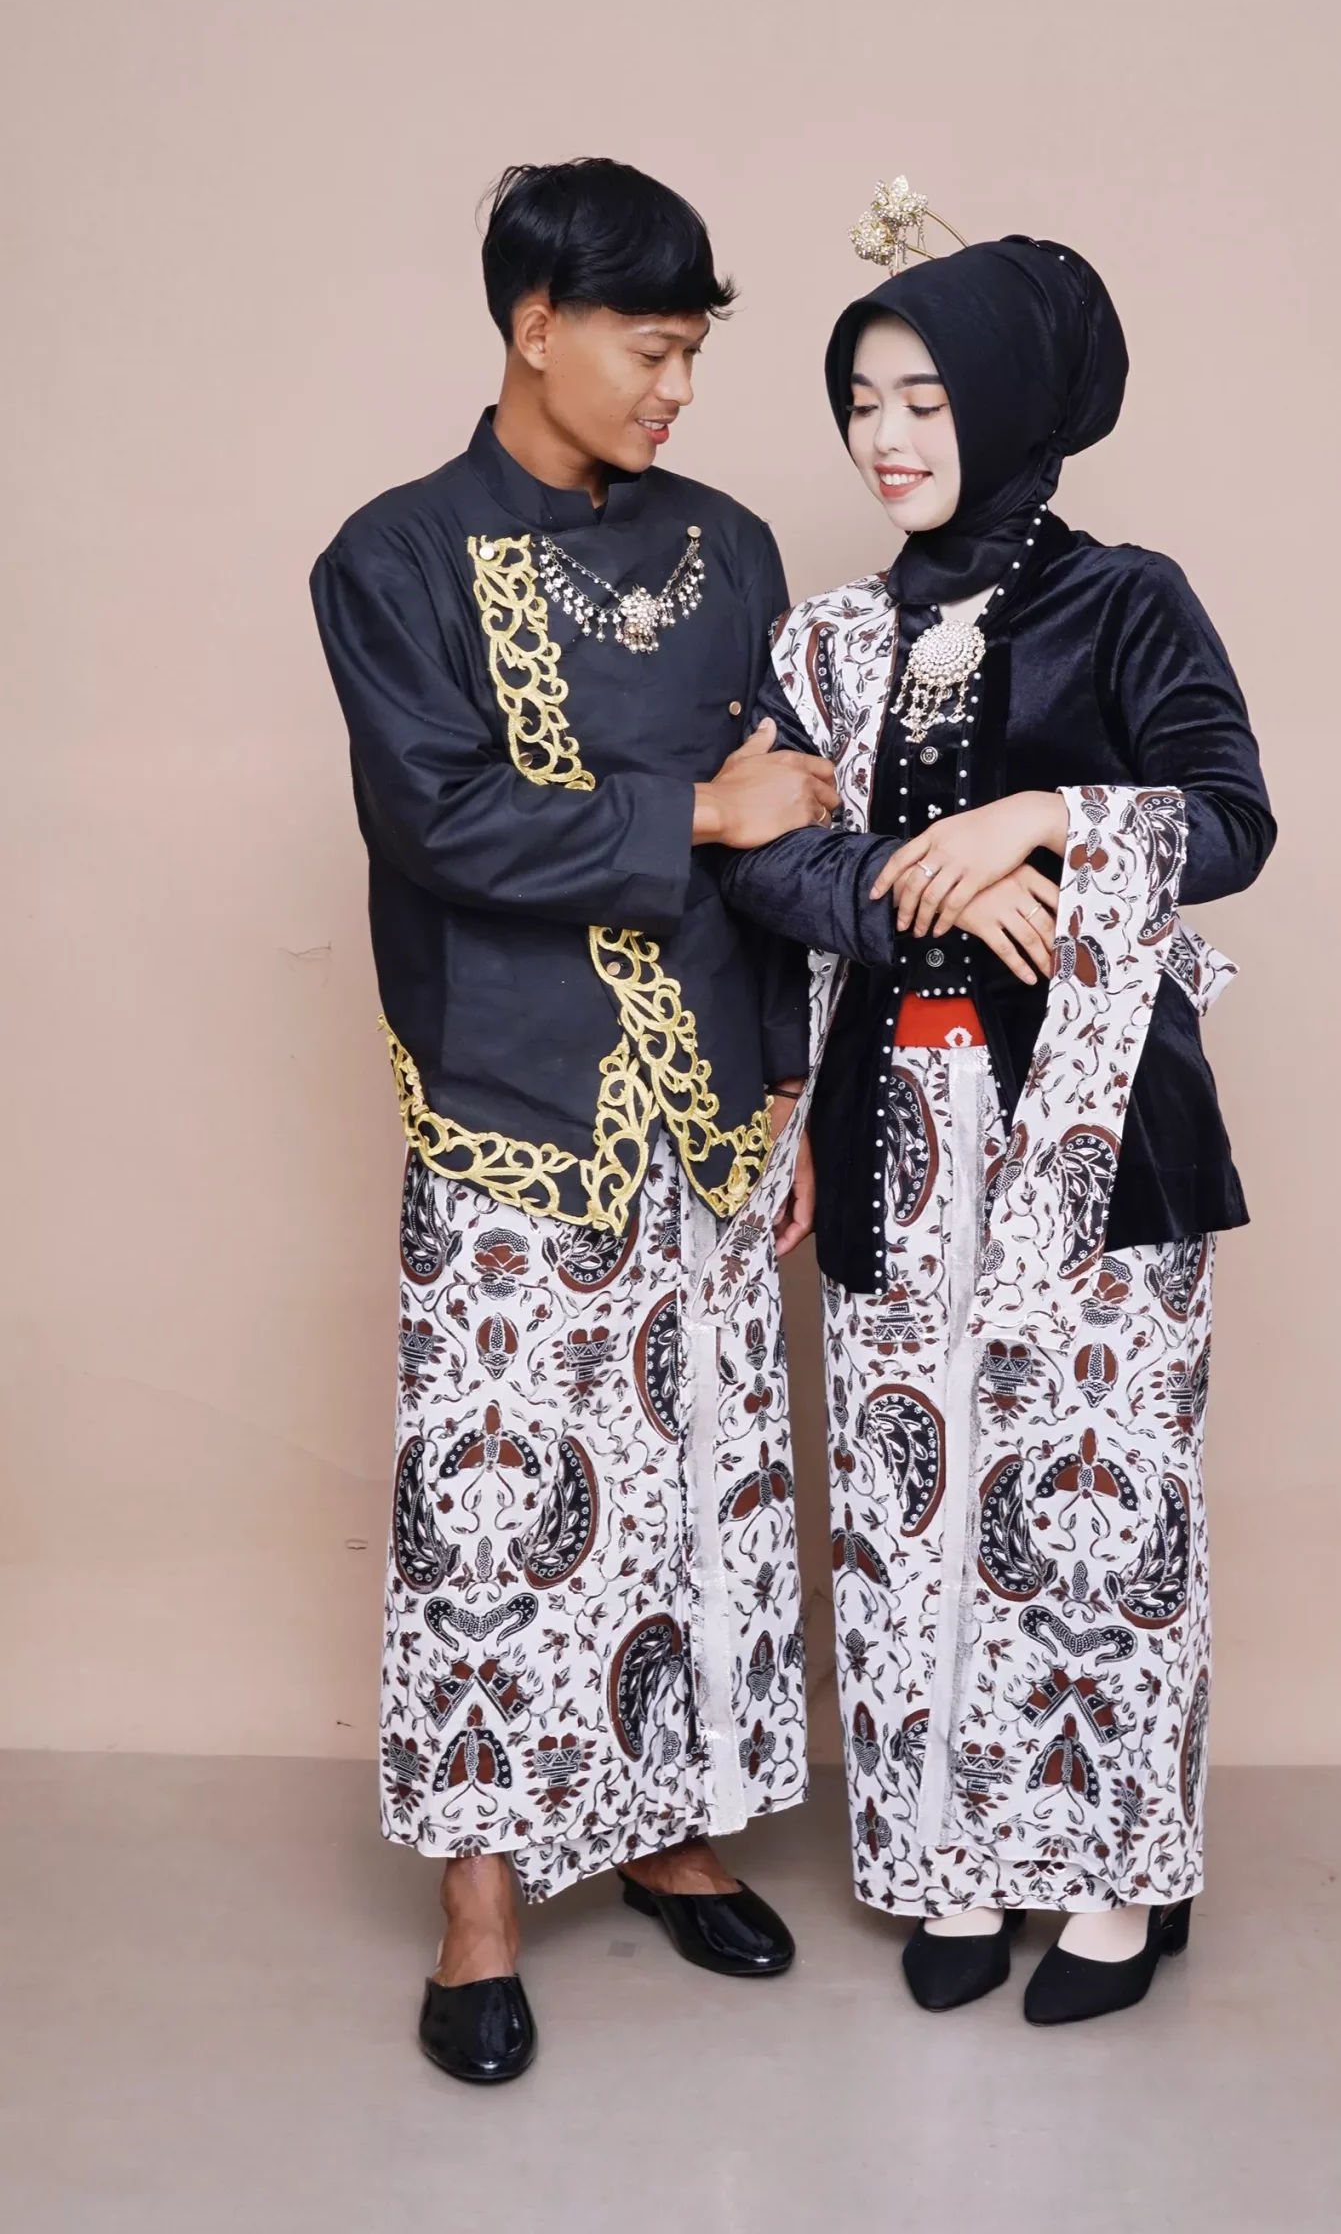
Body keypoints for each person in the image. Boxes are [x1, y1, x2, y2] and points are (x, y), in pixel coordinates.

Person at [311, 158, 836, 2083]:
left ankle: (674, 1837)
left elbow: (795, 829)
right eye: (651, 349)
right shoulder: (392, 558)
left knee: (701, 1480)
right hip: (511, 1094)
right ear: (537, 326)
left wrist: (786, 1085)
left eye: (696, 355)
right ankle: (481, 1907)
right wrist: (693, 810)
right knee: (498, 1507)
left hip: (710, 1099)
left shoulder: (735, 546)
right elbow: (440, 821)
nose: (678, 390)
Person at [720, 231, 1275, 2024]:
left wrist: (1044, 818)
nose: (885, 439)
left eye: (925, 401)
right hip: (895, 1126)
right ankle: (949, 1861)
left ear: (1016, 404)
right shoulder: (828, 637)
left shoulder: (1128, 601)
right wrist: (916, 876)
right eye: (862, 403)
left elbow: (1233, 816)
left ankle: (1112, 1878)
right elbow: (767, 860)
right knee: (914, 1493)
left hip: (1095, 1129)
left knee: (1097, 1493)